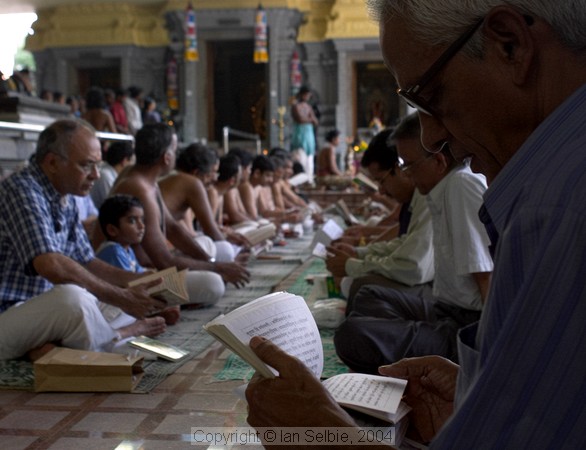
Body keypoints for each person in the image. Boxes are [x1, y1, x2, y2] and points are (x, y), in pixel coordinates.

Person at [247, 1, 586, 448]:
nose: (431, 138)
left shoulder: (557, 205)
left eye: (429, 97)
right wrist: (477, 393)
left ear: (509, 45)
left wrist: (321, 433)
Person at [334, 113, 493, 374]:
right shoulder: (440, 189)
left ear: (439, 161)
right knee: (366, 296)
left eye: (408, 165)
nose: (406, 173)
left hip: (467, 326)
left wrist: (487, 352)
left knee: (351, 334)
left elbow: (485, 277)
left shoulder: (460, 186)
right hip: (444, 309)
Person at [0, 119, 167, 361]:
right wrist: (121, 296)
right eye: (87, 165)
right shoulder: (22, 190)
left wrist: (139, 283)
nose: (96, 175)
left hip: (41, 313)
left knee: (109, 300)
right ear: (52, 162)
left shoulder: (63, 197)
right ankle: (118, 337)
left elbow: (87, 262)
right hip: (8, 314)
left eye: (98, 165)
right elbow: (51, 266)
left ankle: (57, 348)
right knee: (74, 299)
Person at [104, 123, 249, 300]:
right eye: (174, 149)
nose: (176, 155)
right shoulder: (138, 187)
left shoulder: (146, 179)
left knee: (217, 249)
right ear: (166, 157)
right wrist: (218, 268)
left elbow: (172, 227)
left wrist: (210, 262)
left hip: (158, 263)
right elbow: (163, 261)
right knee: (213, 284)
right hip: (139, 273)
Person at [325, 126, 434, 301]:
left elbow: (412, 267)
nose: (381, 191)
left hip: (437, 295)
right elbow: (403, 241)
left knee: (362, 287)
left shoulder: (441, 190)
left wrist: (352, 264)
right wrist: (359, 252)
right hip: (429, 288)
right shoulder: (420, 196)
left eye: (408, 165)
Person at [95, 194, 173, 333]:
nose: (141, 226)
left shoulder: (127, 249)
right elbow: (130, 286)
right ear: (112, 229)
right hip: (109, 305)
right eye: (132, 220)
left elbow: (140, 273)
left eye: (141, 219)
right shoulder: (112, 250)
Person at [158, 143, 245, 261]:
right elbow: (210, 231)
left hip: (165, 248)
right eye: (213, 172)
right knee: (225, 249)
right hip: (163, 249)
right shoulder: (191, 183)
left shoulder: (176, 179)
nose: (215, 178)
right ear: (196, 172)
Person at [90, 140, 135, 209]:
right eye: (131, 161)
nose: (132, 165)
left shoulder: (109, 172)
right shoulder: (105, 176)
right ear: (125, 161)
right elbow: (114, 207)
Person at [290, 86, 319, 175]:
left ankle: (309, 182)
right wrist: (309, 119)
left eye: (308, 95)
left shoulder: (308, 106)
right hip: (300, 135)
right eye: (306, 95)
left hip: (309, 135)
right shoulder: (296, 106)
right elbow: (300, 119)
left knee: (309, 162)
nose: (307, 97)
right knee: (300, 159)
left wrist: (308, 119)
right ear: (301, 94)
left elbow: (315, 121)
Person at [224, 148, 255, 225]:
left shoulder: (235, 187)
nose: (250, 172)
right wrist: (254, 223)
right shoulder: (229, 187)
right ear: (240, 168)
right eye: (249, 169)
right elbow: (234, 215)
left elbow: (242, 212)